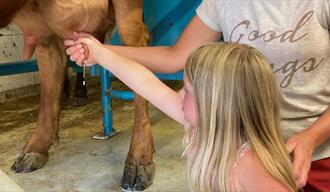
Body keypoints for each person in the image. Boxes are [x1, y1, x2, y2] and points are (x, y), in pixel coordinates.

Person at [65, 1, 330, 190]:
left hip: (315, 156)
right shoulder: (204, 131)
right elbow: (148, 76)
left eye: (188, 90)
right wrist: (99, 53)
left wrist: (311, 137)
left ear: (216, 104)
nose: (179, 94)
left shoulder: (250, 166)